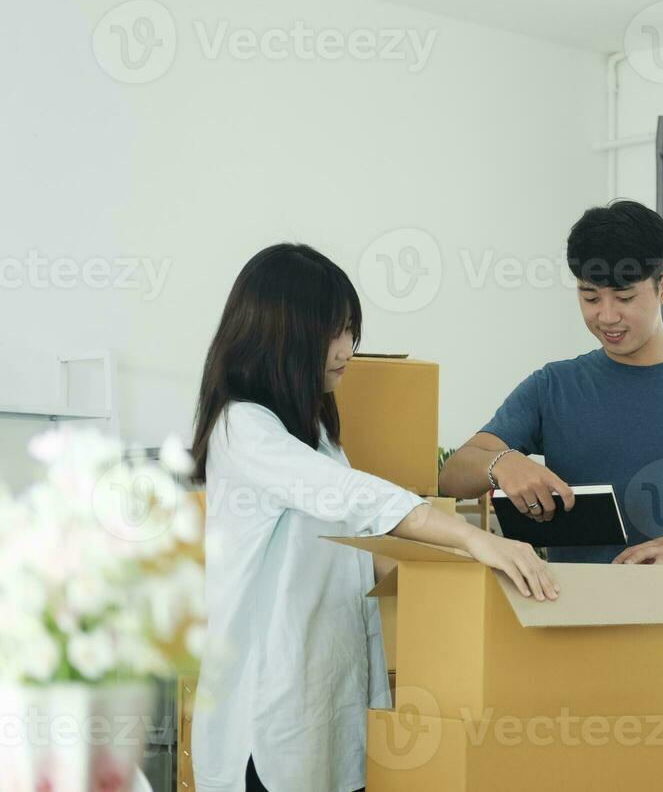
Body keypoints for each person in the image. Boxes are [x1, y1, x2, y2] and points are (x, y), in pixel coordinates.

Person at [189, 243, 557, 792]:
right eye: (334, 332)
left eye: (350, 332)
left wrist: (458, 578)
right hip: (271, 712)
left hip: (329, 705)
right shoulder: (243, 428)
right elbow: (355, 498)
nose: (348, 349)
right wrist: (472, 540)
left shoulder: (314, 436)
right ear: (284, 334)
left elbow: (350, 549)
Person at [439, 200, 663, 791]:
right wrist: (503, 462)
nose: (606, 316)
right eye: (591, 298)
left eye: (624, 298)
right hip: (569, 635)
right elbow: (452, 474)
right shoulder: (553, 385)